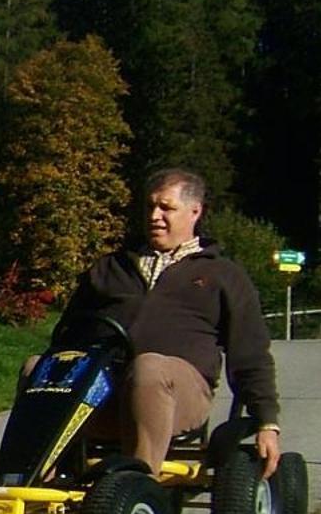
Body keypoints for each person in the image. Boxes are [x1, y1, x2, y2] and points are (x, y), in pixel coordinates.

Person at [53, 166, 280, 480]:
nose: (155, 216)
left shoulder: (223, 275)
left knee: (148, 369)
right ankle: (28, 479)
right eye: (150, 206)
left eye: (167, 208)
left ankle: (136, 487)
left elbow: (250, 353)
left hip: (179, 392)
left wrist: (266, 422)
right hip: (102, 392)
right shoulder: (110, 268)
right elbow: (64, 337)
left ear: (194, 212)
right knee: (39, 366)